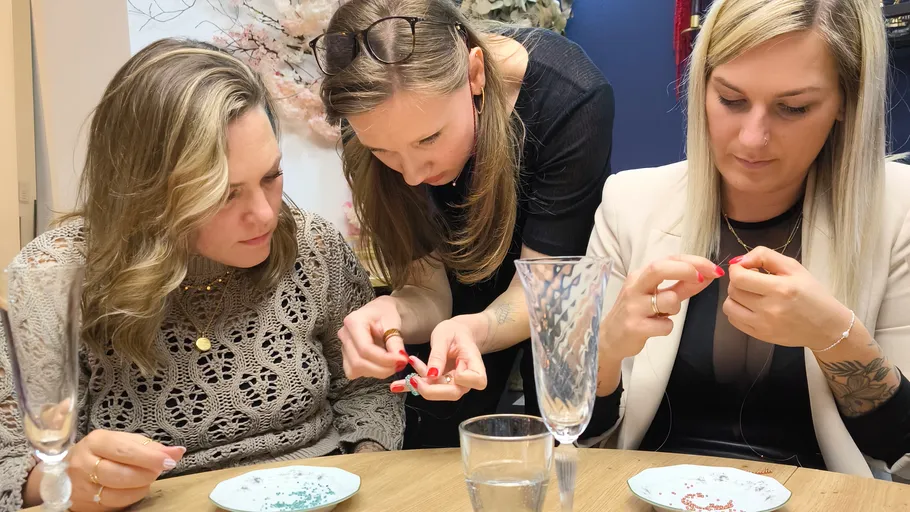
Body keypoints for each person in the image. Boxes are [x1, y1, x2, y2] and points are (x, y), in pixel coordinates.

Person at [0, 38, 404, 511]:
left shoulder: (313, 248)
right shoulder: (54, 278)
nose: (265, 215)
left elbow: (369, 394)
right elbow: (8, 458)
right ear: (144, 192)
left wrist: (368, 469)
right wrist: (58, 481)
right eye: (224, 194)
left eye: (271, 176)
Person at [585, 0, 910, 480]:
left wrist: (835, 337)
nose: (753, 138)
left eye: (793, 108)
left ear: (847, 100)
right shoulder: (630, 203)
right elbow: (578, 439)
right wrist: (608, 350)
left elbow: (901, 454)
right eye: (731, 100)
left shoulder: (896, 213)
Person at [314, 0, 615, 448]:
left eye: (429, 138)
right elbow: (428, 294)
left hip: (551, 292)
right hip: (459, 298)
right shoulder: (369, 115)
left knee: (553, 440)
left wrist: (473, 327)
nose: (412, 175)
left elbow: (542, 291)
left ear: (475, 74)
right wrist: (391, 311)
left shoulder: (569, 97)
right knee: (431, 434)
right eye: (383, 152)